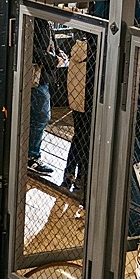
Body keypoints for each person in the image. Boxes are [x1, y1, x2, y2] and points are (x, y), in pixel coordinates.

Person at [26, 0, 59, 178]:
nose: (54, 1)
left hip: (43, 76)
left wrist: (57, 53)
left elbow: (48, 44)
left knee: (38, 116)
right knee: (40, 116)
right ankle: (31, 157)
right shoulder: (34, 19)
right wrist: (54, 59)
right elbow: (33, 49)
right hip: (36, 78)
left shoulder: (42, 18)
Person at [62, 36, 92, 192]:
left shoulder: (78, 48)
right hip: (87, 103)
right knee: (84, 138)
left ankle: (70, 175)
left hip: (77, 101)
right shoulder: (93, 53)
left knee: (79, 136)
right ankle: (80, 177)